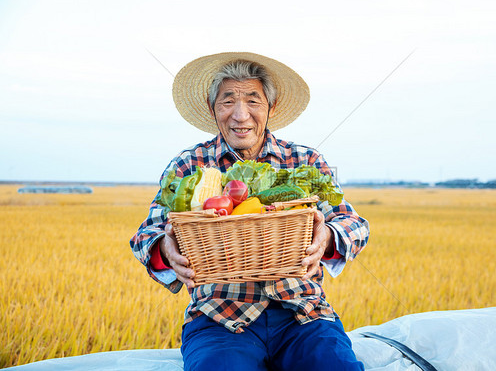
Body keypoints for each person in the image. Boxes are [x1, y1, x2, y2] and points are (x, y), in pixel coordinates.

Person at [130, 52, 370, 370]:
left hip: (303, 314)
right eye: (228, 101)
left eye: (253, 101)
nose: (241, 116)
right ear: (212, 107)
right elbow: (146, 234)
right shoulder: (188, 165)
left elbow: (355, 224)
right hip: (220, 317)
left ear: (270, 108)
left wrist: (327, 236)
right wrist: (165, 248)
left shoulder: (306, 160)